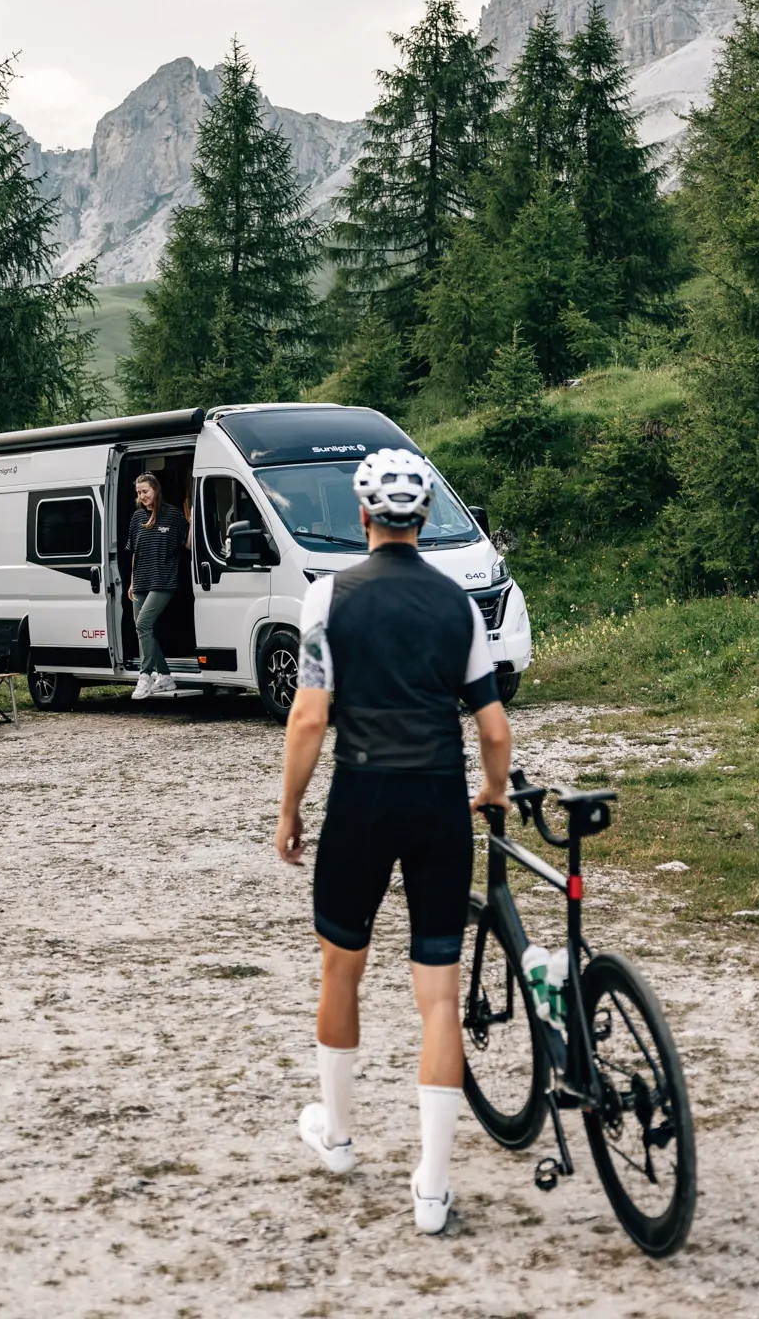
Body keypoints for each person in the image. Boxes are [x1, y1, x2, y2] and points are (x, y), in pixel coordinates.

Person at [274, 448, 512, 1234]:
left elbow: (310, 717)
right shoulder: (458, 606)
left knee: (340, 969)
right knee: (437, 996)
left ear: (362, 513)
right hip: (440, 797)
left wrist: (289, 810)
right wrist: (492, 789)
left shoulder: (327, 598)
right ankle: (433, 1187)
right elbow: (495, 730)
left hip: (364, 796)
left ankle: (338, 1139)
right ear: (423, 517)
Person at [128, 472, 189, 702]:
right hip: (142, 580)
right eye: (139, 493)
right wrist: (132, 582)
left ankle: (145, 677)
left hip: (163, 580)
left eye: (145, 491)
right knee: (143, 628)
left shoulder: (172, 515)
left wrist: (193, 519)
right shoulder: (136, 518)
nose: (142, 496)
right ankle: (164, 676)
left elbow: (189, 543)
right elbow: (135, 552)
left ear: (156, 490)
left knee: (143, 623)